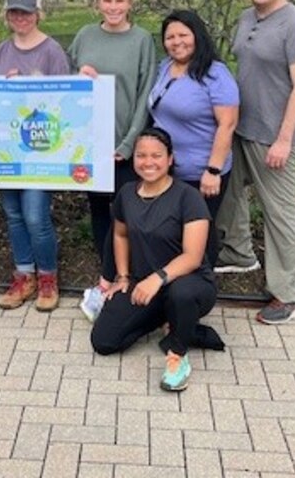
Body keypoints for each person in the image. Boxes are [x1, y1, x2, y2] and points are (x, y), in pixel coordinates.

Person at [214, 0, 295, 326]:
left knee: (280, 212)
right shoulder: (246, 18)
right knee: (227, 192)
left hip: (273, 136)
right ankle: (239, 253)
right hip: (241, 127)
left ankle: (289, 295)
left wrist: (284, 139)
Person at [90, 127, 220, 392]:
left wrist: (156, 279)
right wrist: (124, 276)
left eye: (156, 155)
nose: (148, 162)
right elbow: (121, 235)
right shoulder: (127, 193)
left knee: (180, 295)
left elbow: (193, 257)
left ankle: (178, 353)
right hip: (145, 285)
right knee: (104, 341)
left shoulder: (188, 197)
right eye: (141, 155)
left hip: (189, 282)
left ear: (170, 159)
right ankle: (171, 322)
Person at [69, 0, 157, 322]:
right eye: (107, 1)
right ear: (97, 4)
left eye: (120, 1)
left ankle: (129, 274)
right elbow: (64, 83)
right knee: (99, 211)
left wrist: (129, 143)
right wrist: (79, 74)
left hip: (123, 145)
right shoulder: (84, 36)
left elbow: (144, 94)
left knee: (127, 213)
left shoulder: (142, 40)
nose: (114, 7)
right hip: (88, 143)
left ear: (130, 3)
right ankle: (107, 276)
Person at [0, 0, 71, 312]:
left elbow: (63, 102)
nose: (21, 18)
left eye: (27, 12)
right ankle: (24, 275)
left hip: (40, 149)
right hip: (7, 150)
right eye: (14, 12)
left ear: (38, 13)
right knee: (14, 215)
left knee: (36, 216)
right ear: (7, 15)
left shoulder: (51, 52)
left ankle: (48, 276)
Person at [146, 9, 239, 265]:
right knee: (170, 231)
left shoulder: (215, 73)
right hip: (167, 169)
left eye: (183, 35)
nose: (177, 42)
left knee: (198, 235)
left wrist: (213, 170)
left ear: (196, 35)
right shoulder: (164, 67)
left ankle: (201, 287)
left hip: (201, 173)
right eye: (170, 37)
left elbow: (228, 124)